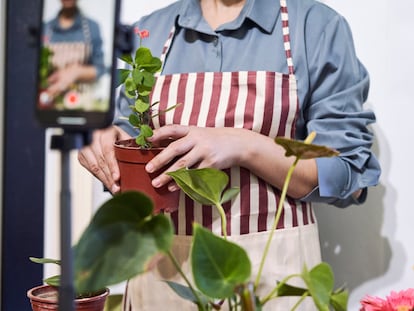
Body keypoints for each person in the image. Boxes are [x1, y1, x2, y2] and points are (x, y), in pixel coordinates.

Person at [78, 0, 381, 309]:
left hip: (270, 276)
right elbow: (128, 140)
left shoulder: (314, 26)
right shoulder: (150, 32)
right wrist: (107, 141)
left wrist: (243, 145)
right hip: (164, 275)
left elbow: (347, 172)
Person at [39, 0, 105, 109]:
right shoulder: (45, 28)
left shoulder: (92, 27)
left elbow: (100, 69)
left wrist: (77, 72)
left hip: (83, 106)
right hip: (51, 105)